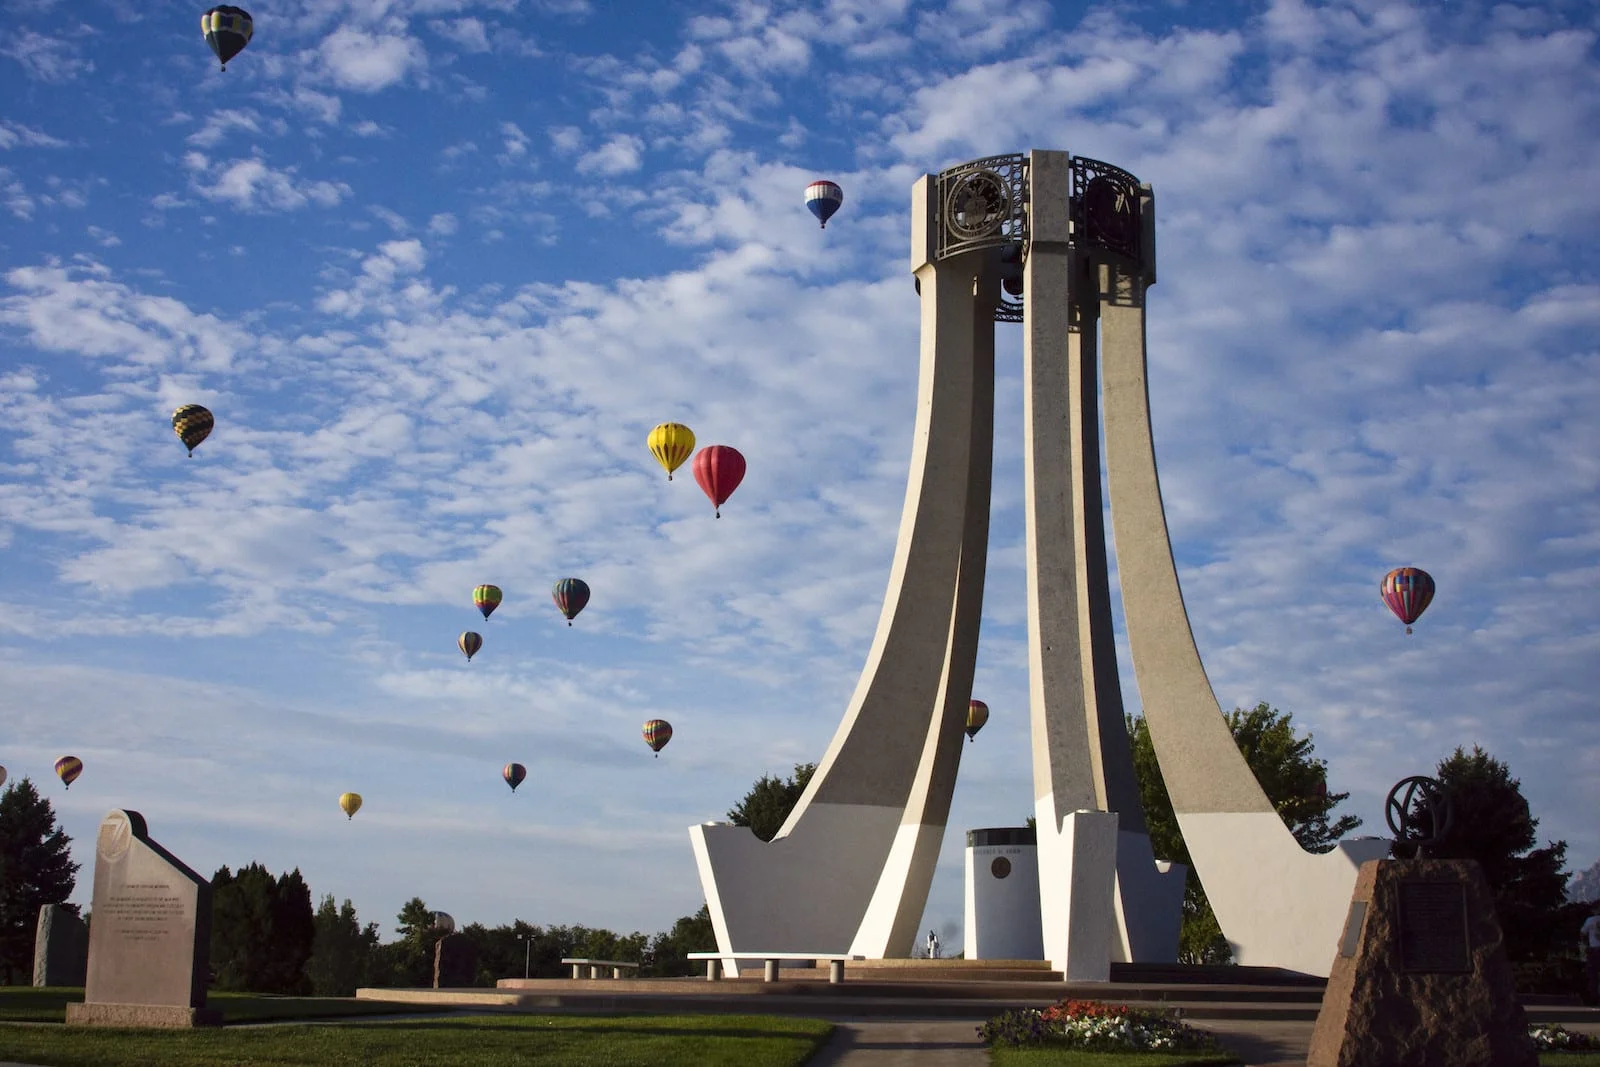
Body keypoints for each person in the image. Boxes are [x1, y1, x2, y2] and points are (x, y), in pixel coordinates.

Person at [1580, 902, 1600, 1005]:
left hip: (1594, 949)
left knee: (1593, 975)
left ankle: (1594, 998)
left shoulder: (1591, 920)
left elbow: (1583, 933)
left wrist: (1586, 945)